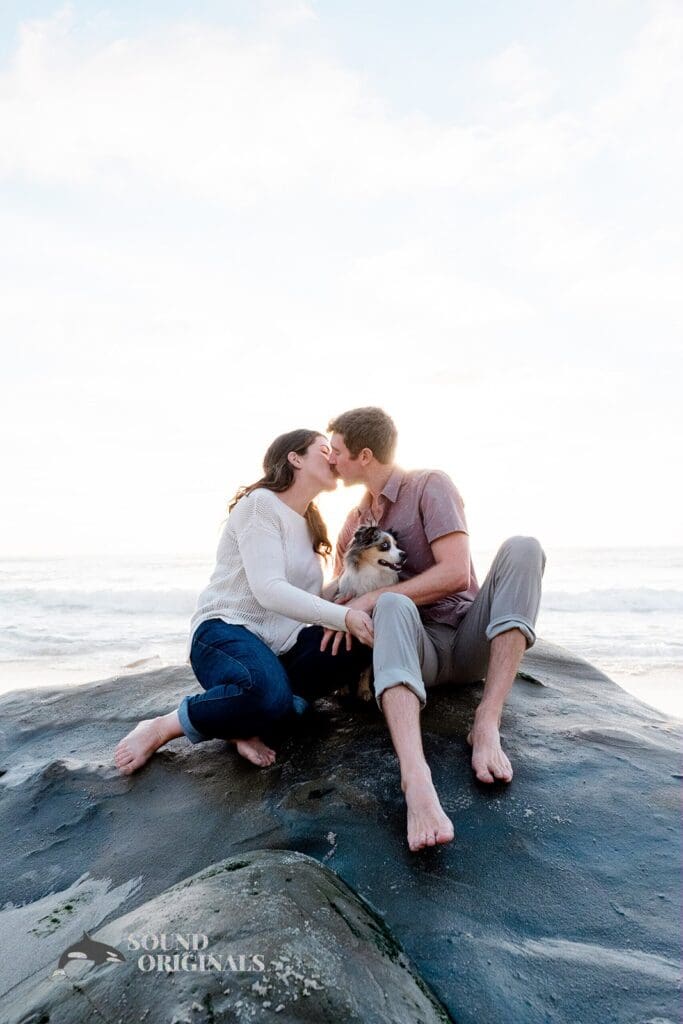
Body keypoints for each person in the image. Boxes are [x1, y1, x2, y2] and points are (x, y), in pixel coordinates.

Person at [324, 407, 546, 853]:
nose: (332, 460)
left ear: (364, 455)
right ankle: (416, 777)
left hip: (467, 638)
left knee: (524, 548)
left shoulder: (429, 486)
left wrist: (370, 599)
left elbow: (456, 574)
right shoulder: (355, 521)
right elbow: (346, 593)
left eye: (338, 452)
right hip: (412, 652)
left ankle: (486, 722)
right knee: (389, 603)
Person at [114, 429, 373, 775]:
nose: (333, 457)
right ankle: (164, 725)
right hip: (225, 632)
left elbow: (306, 601)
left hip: (281, 649)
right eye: (324, 449)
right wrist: (343, 615)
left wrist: (358, 587)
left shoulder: (311, 525)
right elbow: (268, 590)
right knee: (268, 695)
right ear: (294, 458)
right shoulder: (260, 506)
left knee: (357, 642)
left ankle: (244, 724)